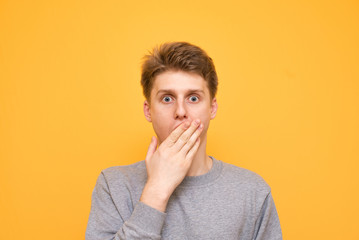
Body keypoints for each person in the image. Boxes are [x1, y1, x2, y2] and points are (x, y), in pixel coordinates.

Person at [85, 42, 282, 240]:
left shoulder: (253, 192)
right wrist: (156, 190)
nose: (180, 112)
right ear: (148, 110)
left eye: (193, 98)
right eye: (167, 99)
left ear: (212, 108)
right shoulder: (114, 185)